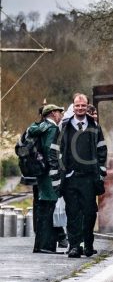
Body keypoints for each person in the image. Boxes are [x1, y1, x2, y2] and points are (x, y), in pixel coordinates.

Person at [53, 93, 107, 258]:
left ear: (87, 106)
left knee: (90, 212)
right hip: (71, 178)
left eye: (83, 105)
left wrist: (101, 171)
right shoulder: (64, 126)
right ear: (73, 107)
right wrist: (60, 173)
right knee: (73, 212)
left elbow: (102, 150)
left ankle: (88, 244)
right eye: (77, 105)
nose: (80, 108)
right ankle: (75, 246)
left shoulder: (95, 126)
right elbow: (55, 150)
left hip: (89, 178)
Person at [27, 104, 65, 253]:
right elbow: (51, 150)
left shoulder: (40, 127)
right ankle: (46, 246)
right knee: (49, 208)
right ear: (53, 113)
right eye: (59, 112)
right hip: (49, 172)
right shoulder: (52, 128)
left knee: (43, 208)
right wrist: (57, 169)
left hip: (41, 172)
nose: (61, 115)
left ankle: (40, 245)